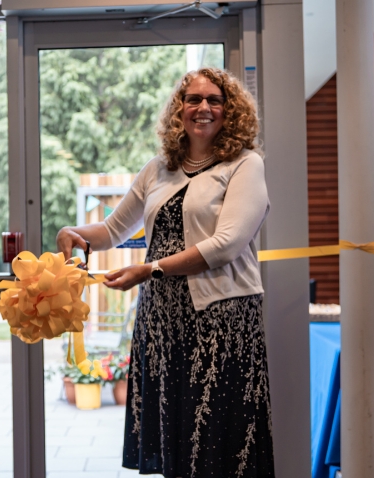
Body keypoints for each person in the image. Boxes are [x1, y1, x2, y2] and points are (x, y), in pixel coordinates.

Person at [57, 67, 274, 478]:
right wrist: (72, 232)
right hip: (163, 322)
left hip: (222, 322)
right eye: (193, 99)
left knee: (220, 444)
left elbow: (226, 245)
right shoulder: (158, 169)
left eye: (214, 100)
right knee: (177, 443)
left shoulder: (245, 165)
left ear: (231, 111)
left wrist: (149, 269)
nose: (203, 107)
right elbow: (110, 230)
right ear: (180, 109)